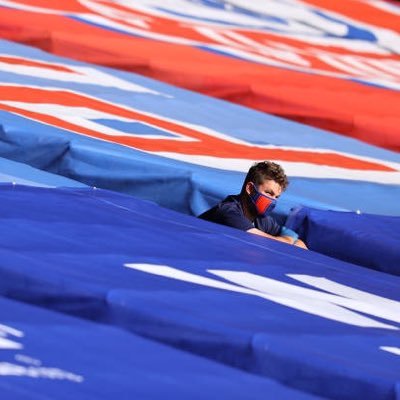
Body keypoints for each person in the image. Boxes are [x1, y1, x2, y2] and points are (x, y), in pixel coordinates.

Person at [199, 161, 307, 249]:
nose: (272, 200)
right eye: (269, 193)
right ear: (250, 188)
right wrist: (288, 241)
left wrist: (289, 240)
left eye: (276, 197)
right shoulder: (228, 212)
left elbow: (293, 236)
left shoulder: (261, 219)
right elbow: (264, 241)